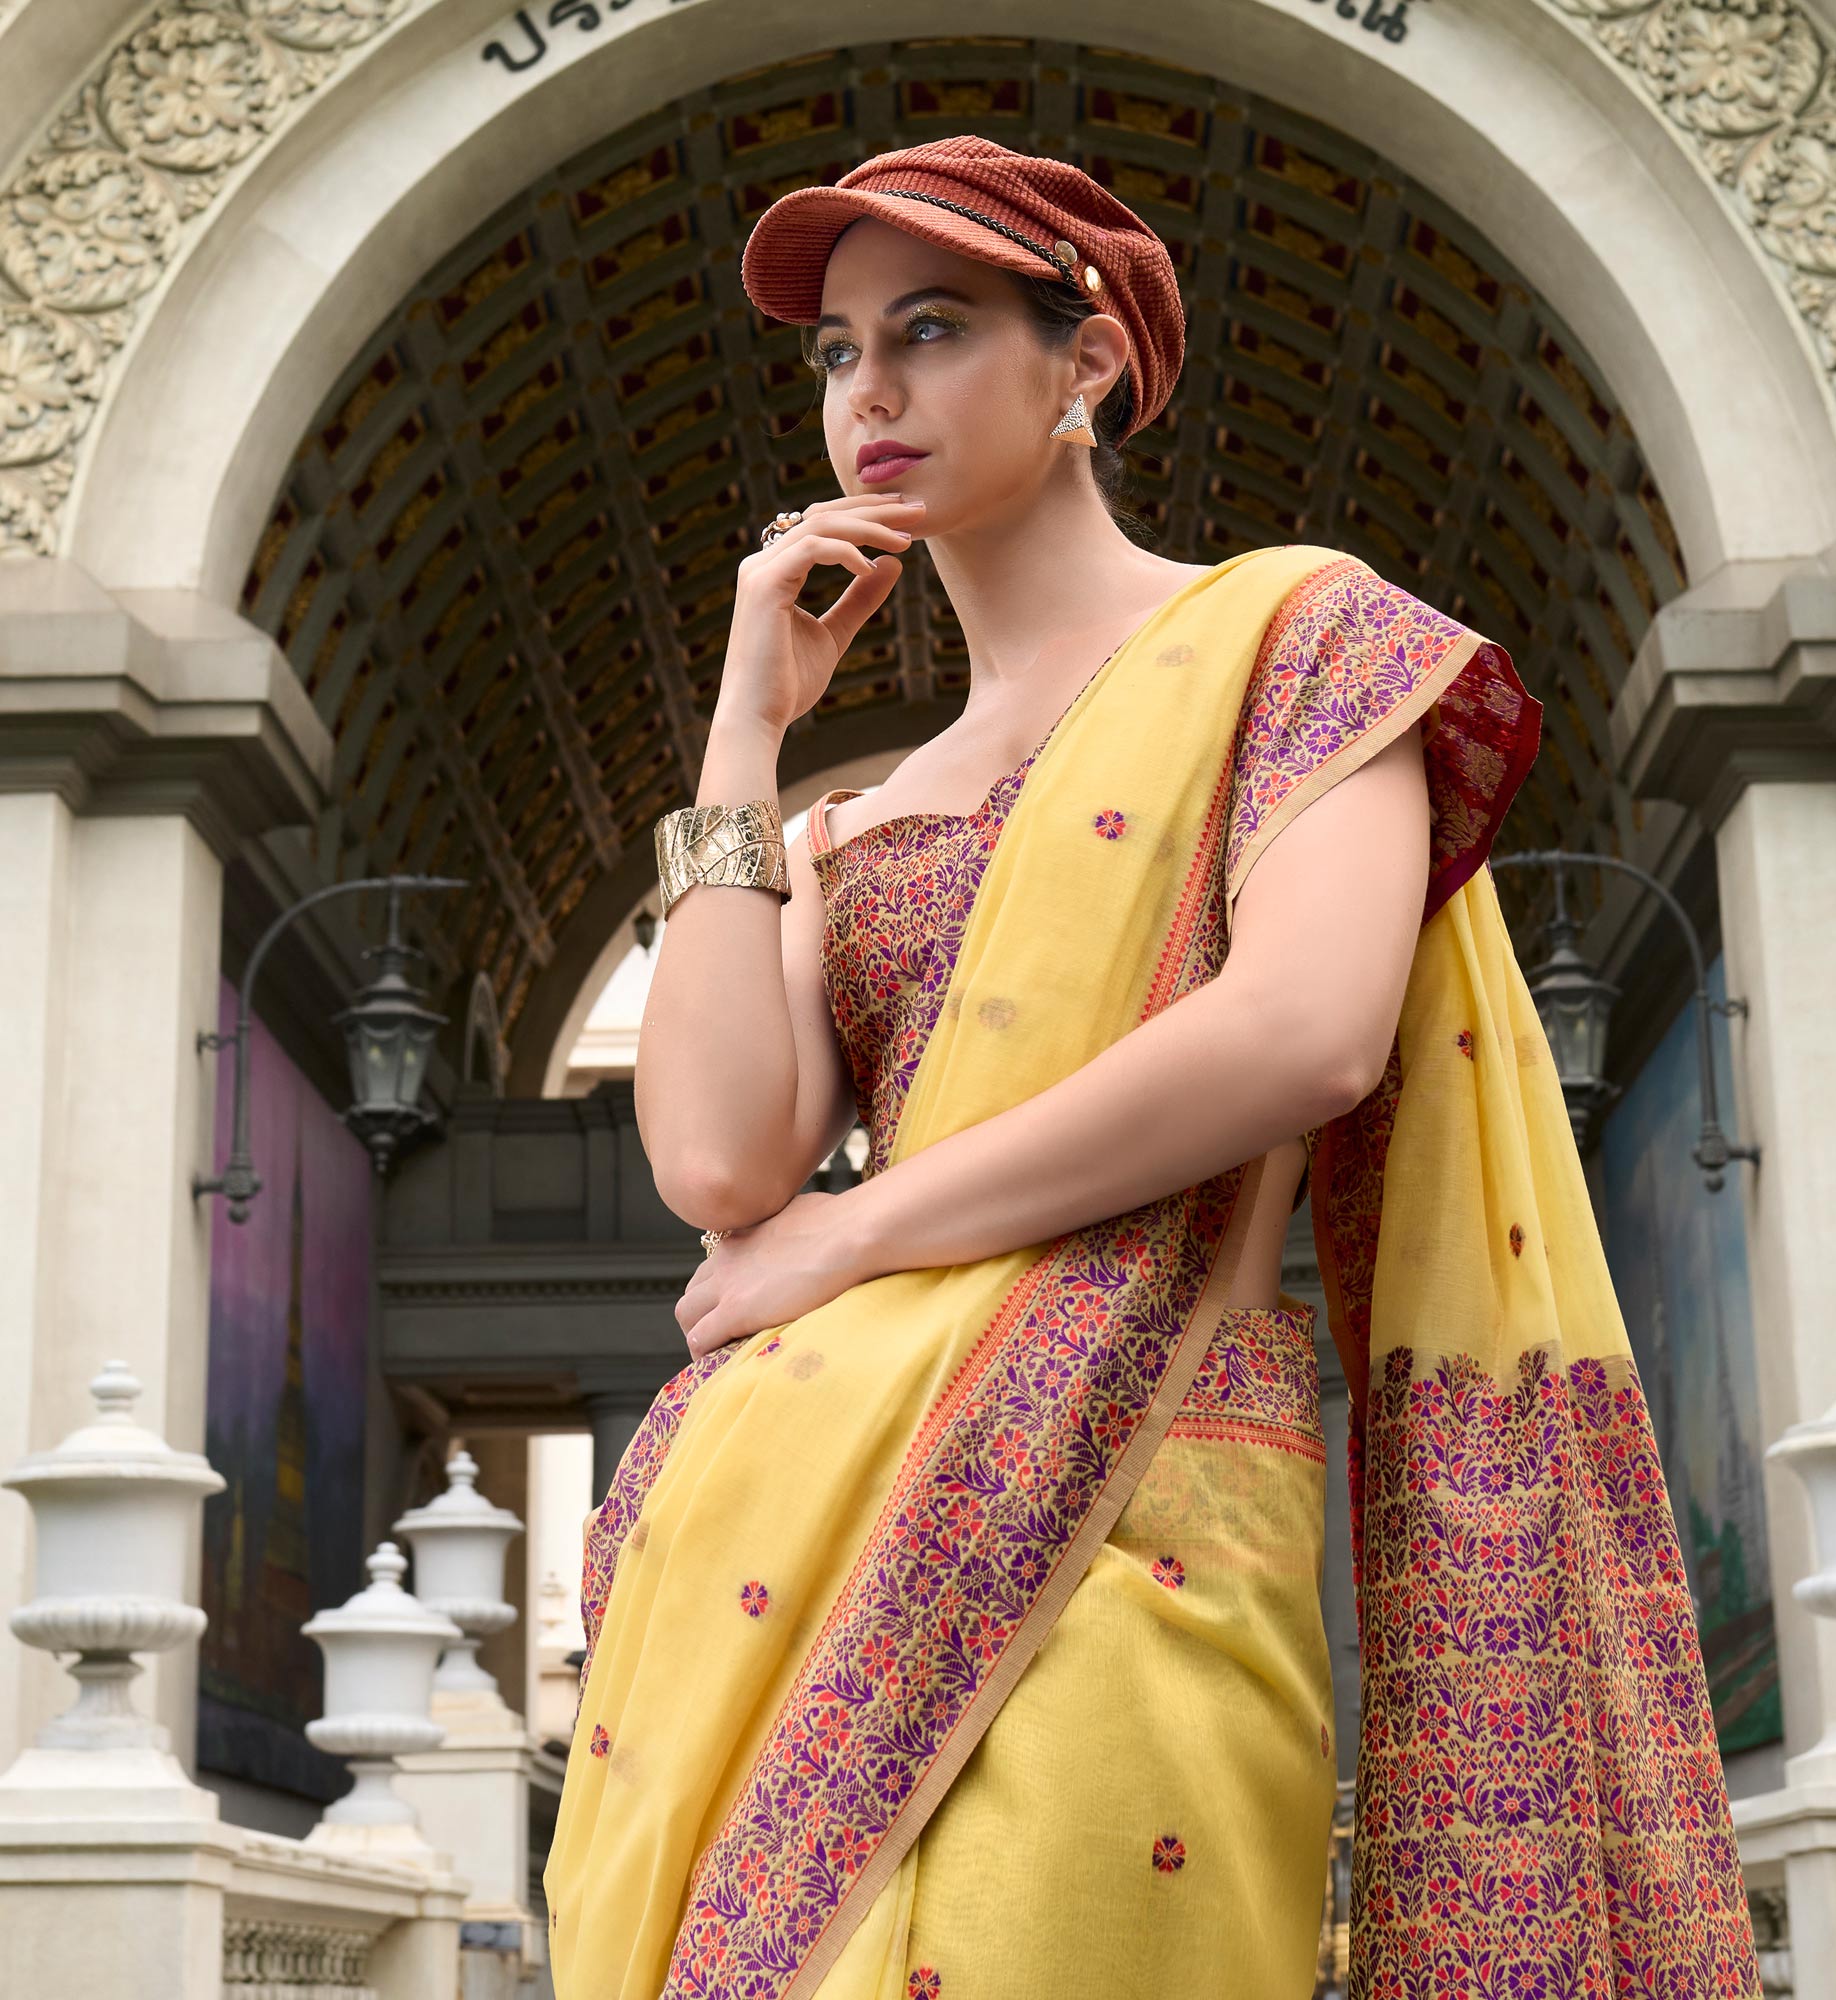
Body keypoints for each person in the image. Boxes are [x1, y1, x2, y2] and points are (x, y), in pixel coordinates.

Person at [542, 135, 1761, 2000]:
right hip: (790, 1520)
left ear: (1088, 361)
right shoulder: (854, 819)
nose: (868, 390)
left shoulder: (1299, 638)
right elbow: (719, 1169)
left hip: (1149, 1476)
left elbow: (1302, 1030)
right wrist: (743, 727)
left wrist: (857, 1243)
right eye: (837, 351)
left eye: (931, 330)